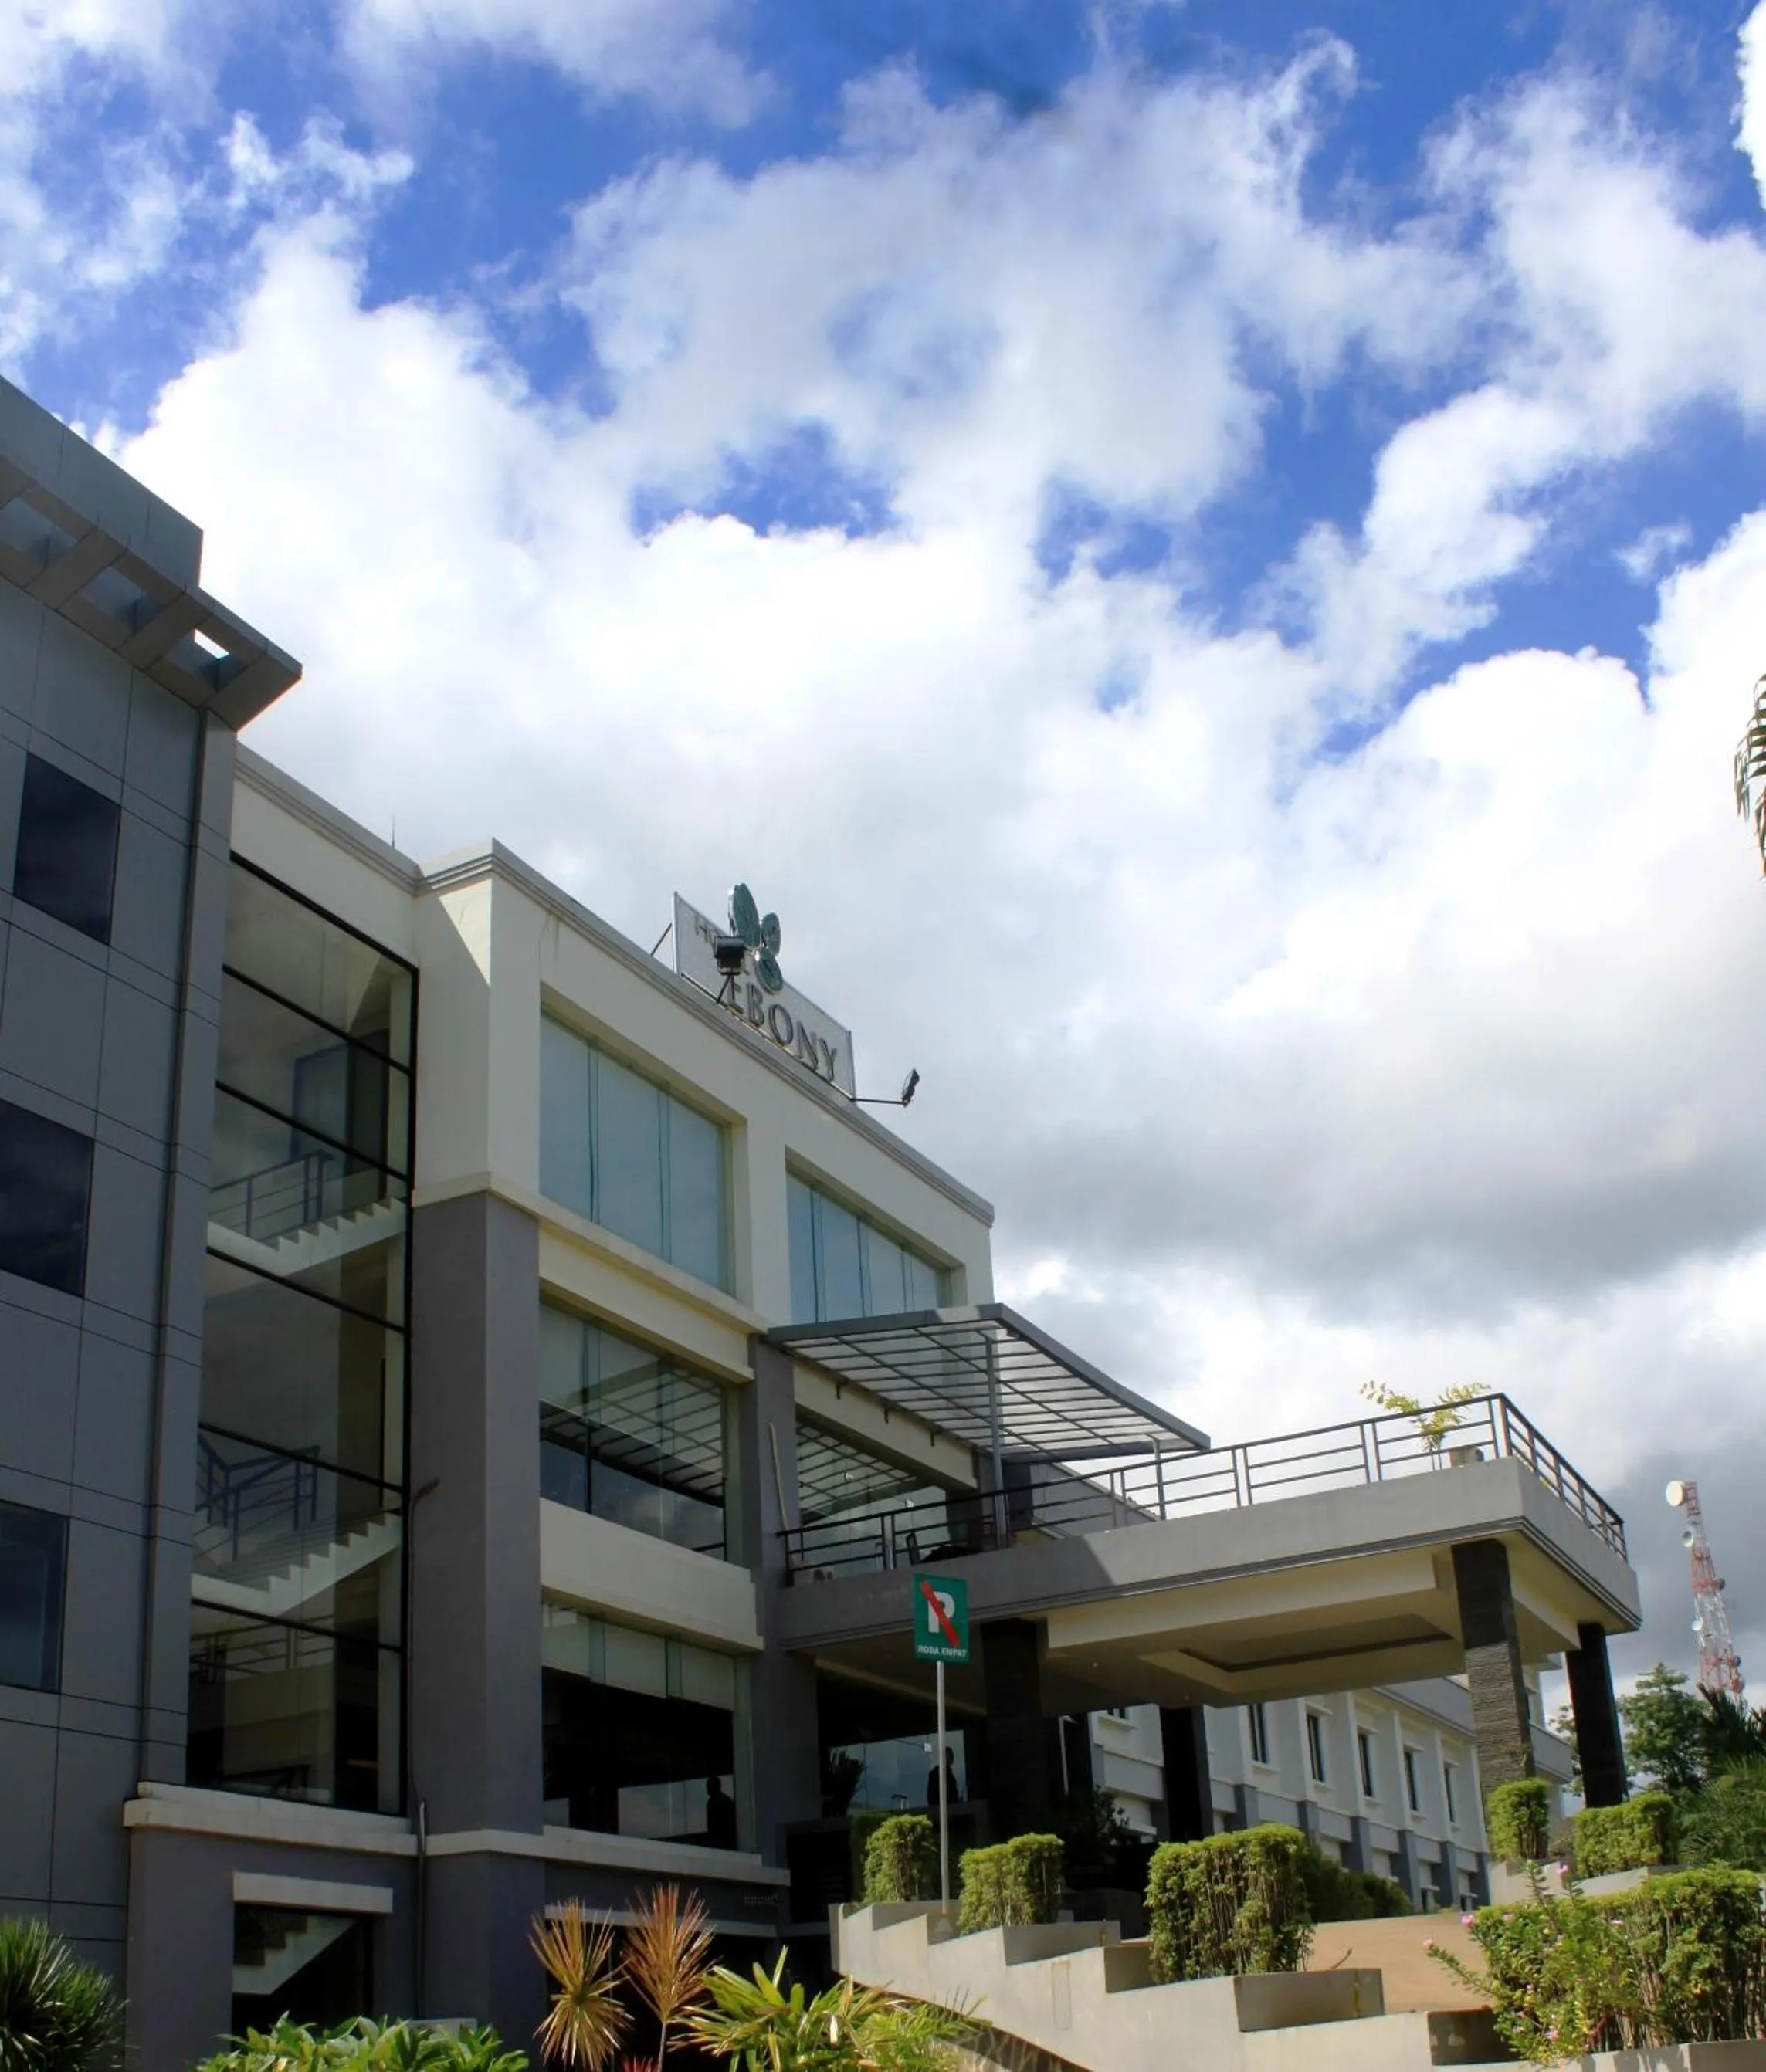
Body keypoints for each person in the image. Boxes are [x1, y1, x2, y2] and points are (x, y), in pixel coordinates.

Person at [705, 1774, 737, 1848]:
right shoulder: (724, 1801)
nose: (707, 1789)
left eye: (709, 1787)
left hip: (723, 1840)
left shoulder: (721, 1802)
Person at [925, 1745, 961, 1809]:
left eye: (952, 1756)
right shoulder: (937, 1774)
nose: (952, 1758)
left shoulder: (948, 1774)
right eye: (950, 1756)